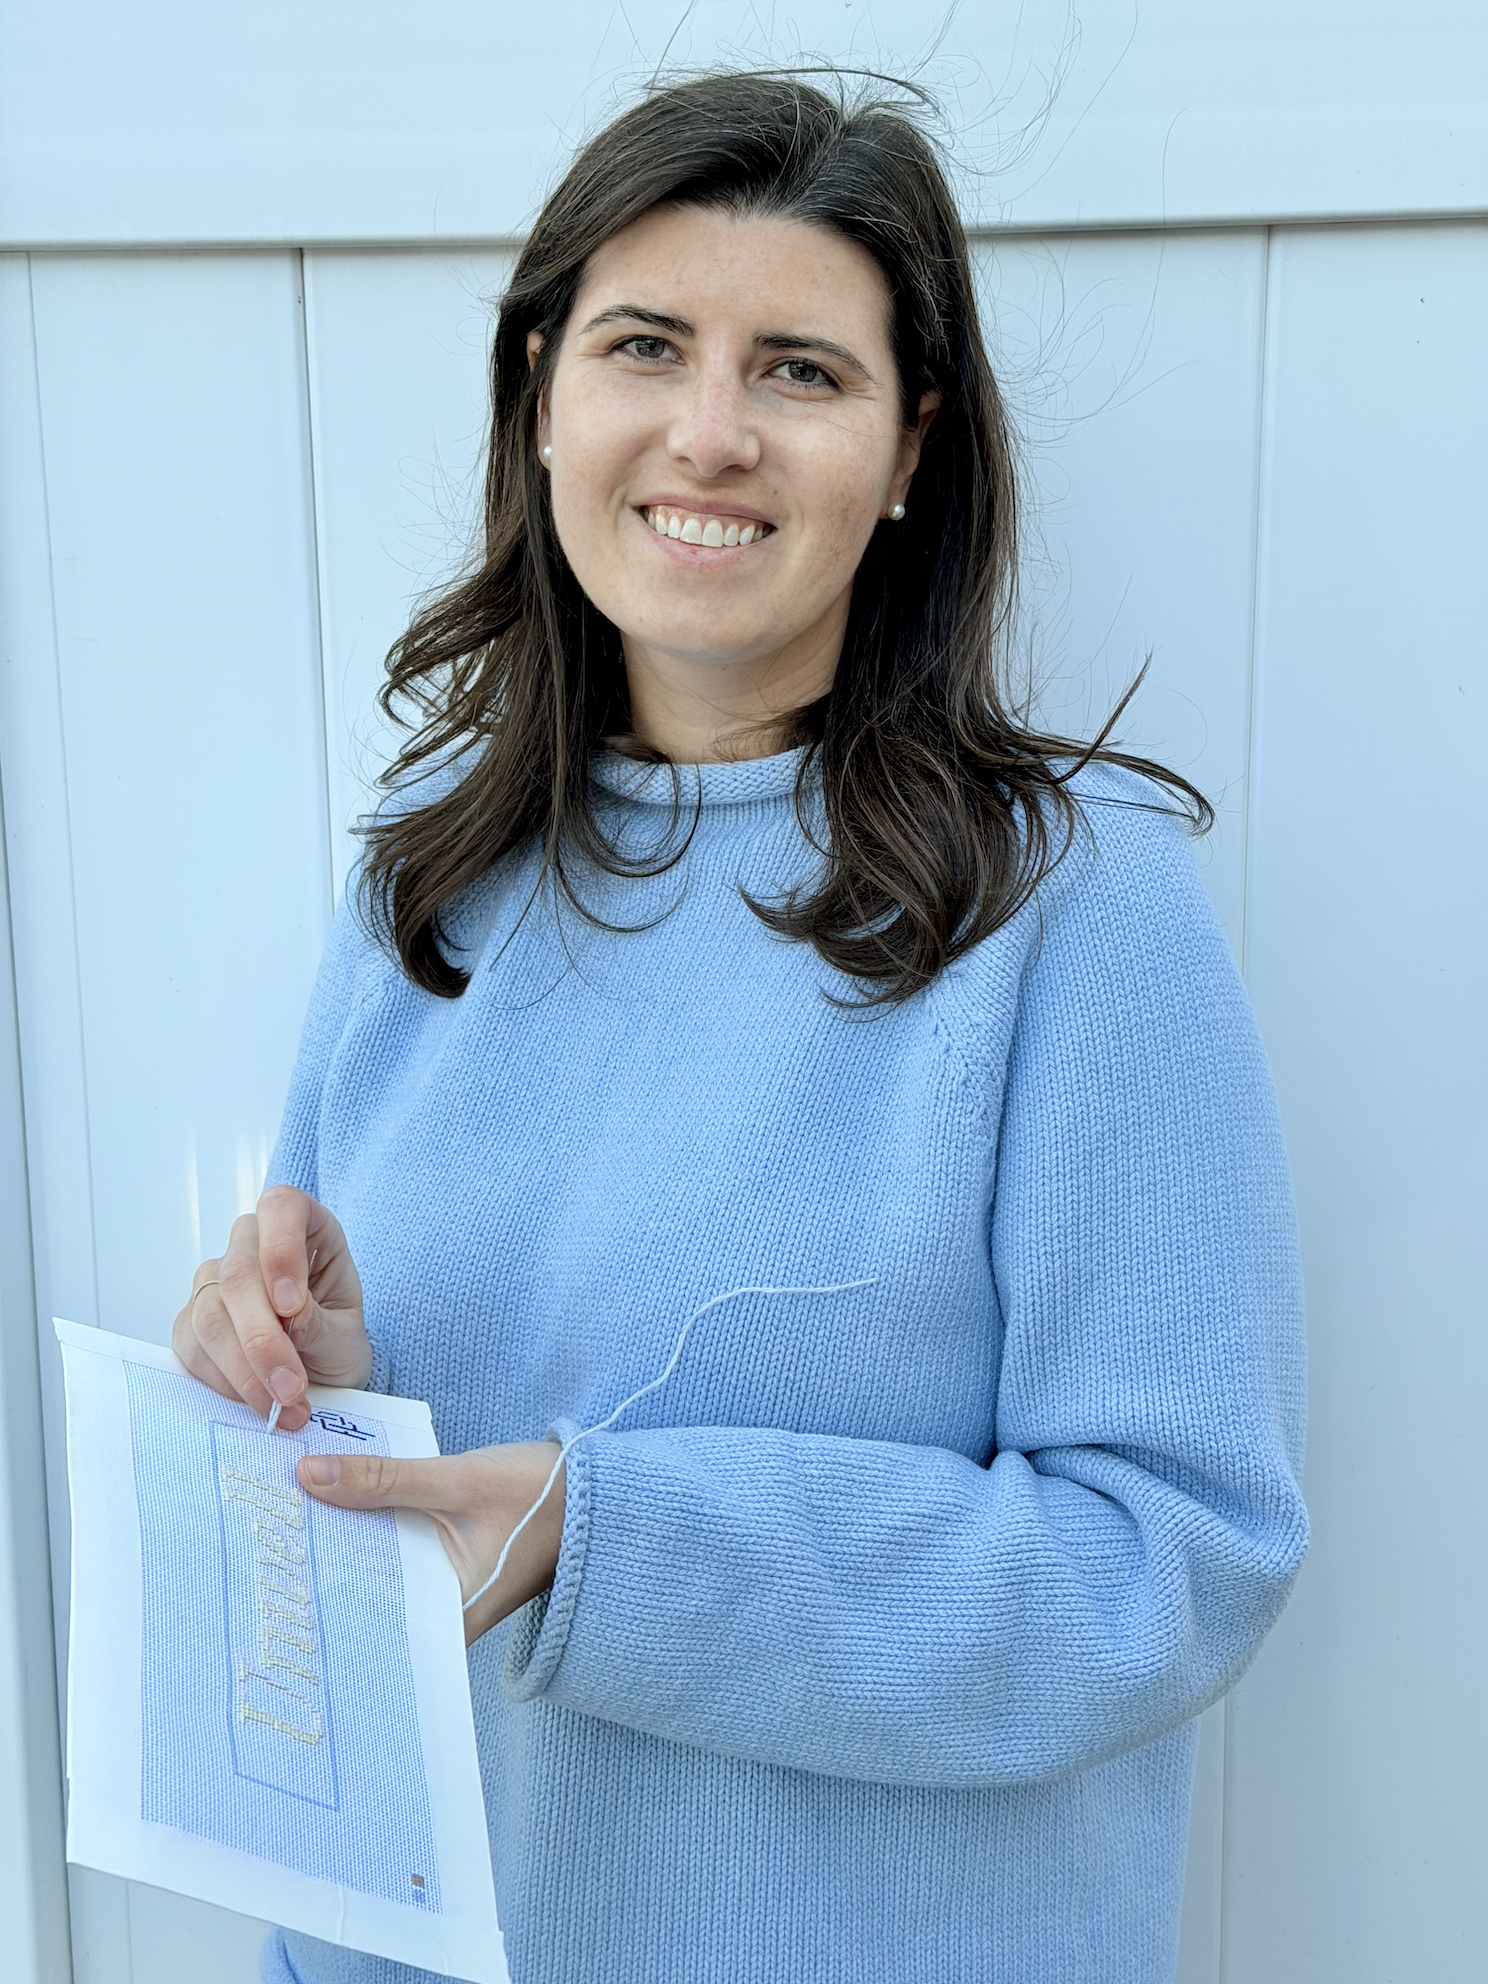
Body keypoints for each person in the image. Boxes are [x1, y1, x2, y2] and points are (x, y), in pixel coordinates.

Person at [175, 72, 1308, 1984]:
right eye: (645, 346)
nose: (709, 434)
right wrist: (319, 1378)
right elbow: (390, 1528)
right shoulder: (426, 873)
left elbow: (1170, 1566)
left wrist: (595, 1537)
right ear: (543, 393)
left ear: (908, 450)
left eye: (800, 369)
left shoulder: (1070, 905)